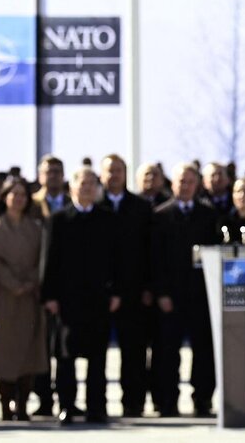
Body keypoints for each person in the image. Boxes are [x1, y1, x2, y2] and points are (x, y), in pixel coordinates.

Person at [42, 167, 120, 425]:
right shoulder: (59, 219)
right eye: (82, 183)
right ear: (72, 187)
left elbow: (117, 260)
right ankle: (66, 405)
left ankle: (96, 407)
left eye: (91, 184)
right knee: (66, 356)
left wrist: (116, 292)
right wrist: (49, 295)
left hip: (99, 298)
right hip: (67, 299)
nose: (87, 188)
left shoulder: (107, 219)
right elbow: (49, 260)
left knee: (97, 357)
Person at [150, 164, 218, 417]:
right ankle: (168, 401)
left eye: (190, 181)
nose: (185, 186)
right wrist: (161, 293)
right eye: (181, 181)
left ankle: (202, 399)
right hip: (171, 296)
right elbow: (154, 259)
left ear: (197, 184)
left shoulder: (208, 215)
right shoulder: (160, 215)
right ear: (173, 184)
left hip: (201, 295)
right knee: (168, 352)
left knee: (204, 351)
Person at [0, 179, 48, 422]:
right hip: (4, 296)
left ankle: (22, 405)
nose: (18, 199)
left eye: (22, 195)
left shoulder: (36, 228)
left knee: (28, 352)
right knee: (3, 352)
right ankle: (5, 406)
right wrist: (13, 284)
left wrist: (30, 281)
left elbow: (42, 259)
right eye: (14, 194)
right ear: (5, 197)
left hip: (29, 297)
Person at [98, 153, 154, 418]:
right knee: (96, 351)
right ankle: (96, 404)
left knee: (134, 351)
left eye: (118, 170)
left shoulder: (140, 207)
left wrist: (148, 287)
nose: (114, 175)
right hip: (100, 292)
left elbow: (149, 250)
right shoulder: (94, 205)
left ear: (126, 173)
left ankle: (134, 402)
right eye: (109, 170)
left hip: (134, 291)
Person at [30, 154, 69, 416]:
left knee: (63, 346)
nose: (52, 176)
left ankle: (66, 398)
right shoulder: (30, 204)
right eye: (48, 171)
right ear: (40, 175)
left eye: (57, 171)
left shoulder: (71, 202)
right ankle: (44, 397)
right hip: (34, 284)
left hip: (66, 285)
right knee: (40, 346)